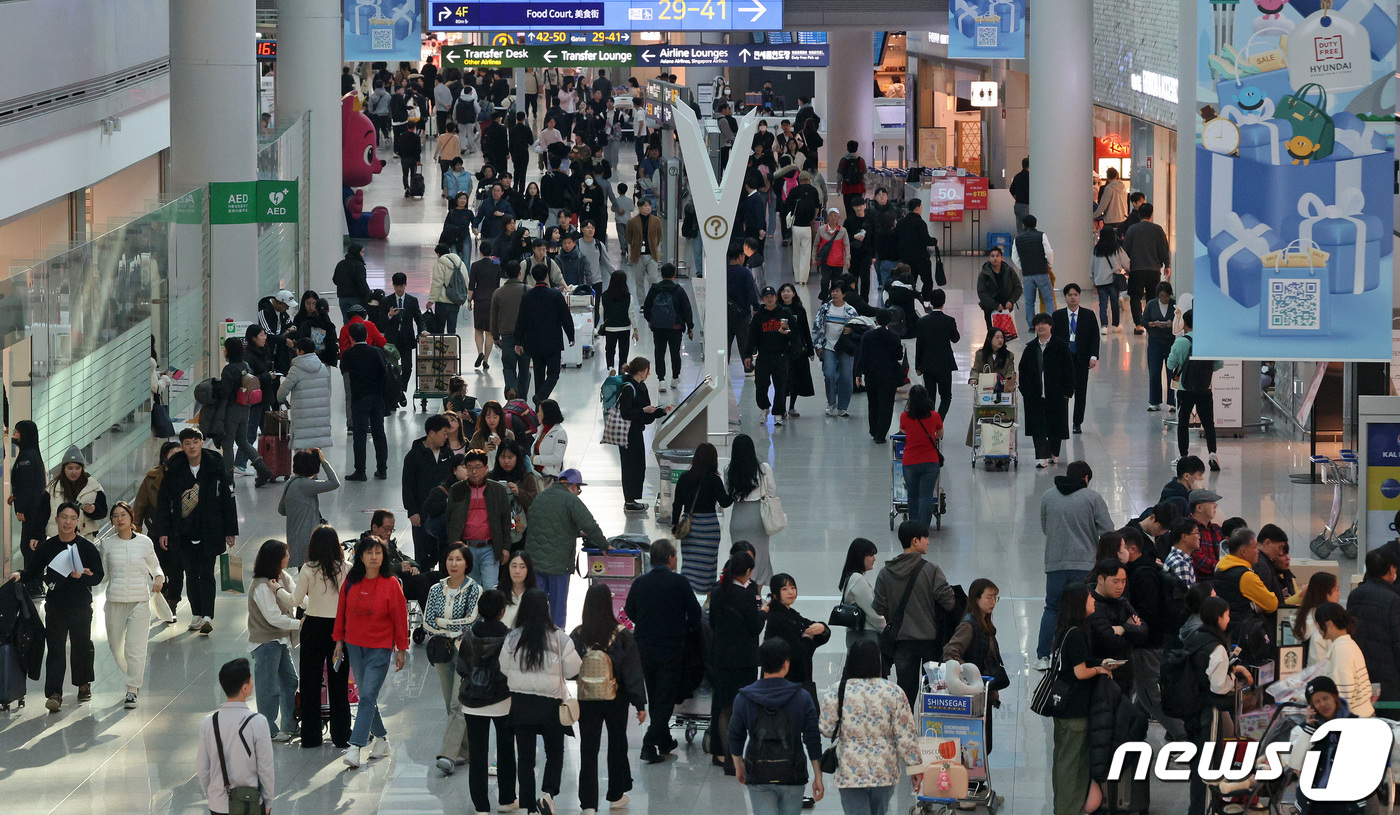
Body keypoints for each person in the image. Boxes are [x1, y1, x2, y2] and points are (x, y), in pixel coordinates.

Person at [9, 502, 103, 711]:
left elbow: (98, 576)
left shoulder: (86, 547)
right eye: (63, 517)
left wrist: (84, 576)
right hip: (56, 606)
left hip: (80, 605)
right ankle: (54, 693)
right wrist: (20, 575)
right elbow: (33, 571)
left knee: (82, 645)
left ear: (77, 521)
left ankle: (83, 684)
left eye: (72, 518)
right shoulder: (48, 546)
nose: (67, 522)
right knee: (55, 649)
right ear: (57, 519)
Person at [500, 589, 581, 815]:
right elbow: (574, 669)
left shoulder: (512, 637)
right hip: (550, 705)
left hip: (521, 704)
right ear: (546, 608)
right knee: (555, 753)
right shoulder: (559, 637)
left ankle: (529, 807)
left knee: (525, 758)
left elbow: (504, 667)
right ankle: (548, 794)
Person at [820, 639, 923, 815]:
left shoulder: (838, 690)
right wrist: (915, 768)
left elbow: (826, 728)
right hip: (884, 770)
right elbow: (906, 736)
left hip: (850, 771)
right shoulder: (893, 691)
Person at [624, 539, 704, 765]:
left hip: (645, 647)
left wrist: (646, 623)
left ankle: (665, 740)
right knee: (666, 696)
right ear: (670, 558)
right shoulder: (679, 582)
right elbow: (695, 613)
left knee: (655, 693)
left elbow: (629, 610)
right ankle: (649, 745)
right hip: (671, 646)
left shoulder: (640, 582)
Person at [334, 535, 410, 768]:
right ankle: (382, 740)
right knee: (368, 696)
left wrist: (401, 648)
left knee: (366, 696)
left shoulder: (391, 584)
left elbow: (400, 617)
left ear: (384, 556)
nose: (374, 557)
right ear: (361, 556)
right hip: (354, 645)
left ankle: (355, 746)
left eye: (378, 552)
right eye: (369, 553)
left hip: (380, 647)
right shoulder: (351, 581)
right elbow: (341, 611)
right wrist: (338, 641)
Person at [570, 583, 646, 813]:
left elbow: (571, 670)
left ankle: (588, 804)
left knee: (588, 749)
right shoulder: (621, 634)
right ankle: (615, 795)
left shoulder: (578, 634)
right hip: (616, 697)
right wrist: (639, 703)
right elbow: (632, 671)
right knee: (617, 744)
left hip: (586, 699)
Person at [729, 638, 826, 815]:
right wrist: (818, 775)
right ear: (786, 663)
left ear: (762, 664)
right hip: (793, 773)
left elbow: (735, 735)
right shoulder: (802, 697)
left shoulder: (744, 697)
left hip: (758, 771)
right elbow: (812, 738)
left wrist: (739, 765)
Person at [155, 428, 238, 634]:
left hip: (210, 529)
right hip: (183, 531)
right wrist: (163, 531)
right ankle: (197, 614)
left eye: (195, 442)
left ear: (202, 443)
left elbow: (228, 501)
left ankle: (207, 615)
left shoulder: (215, 468)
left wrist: (230, 530)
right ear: (182, 446)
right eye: (187, 443)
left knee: (207, 573)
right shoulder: (174, 470)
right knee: (191, 574)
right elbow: (164, 502)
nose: (191, 446)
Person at [1178, 596, 1253, 815]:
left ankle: (1197, 807)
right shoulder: (1216, 647)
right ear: (1218, 617)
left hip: (1193, 707)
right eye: (1227, 615)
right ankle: (1205, 809)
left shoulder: (1196, 637)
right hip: (1209, 711)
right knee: (1209, 765)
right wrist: (1232, 677)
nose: (1229, 619)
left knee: (1199, 761)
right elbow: (1219, 686)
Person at [1035, 461, 1114, 668]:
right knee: (1083, 611)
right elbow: (1107, 531)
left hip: (1055, 562)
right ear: (1086, 478)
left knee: (1052, 608)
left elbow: (1045, 526)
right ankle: (1080, 656)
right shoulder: (1092, 498)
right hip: (1085, 565)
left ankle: (1044, 656)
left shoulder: (1048, 496)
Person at [872, 520, 957, 708]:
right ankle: (931, 732)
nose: (928, 542)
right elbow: (949, 603)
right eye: (925, 538)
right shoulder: (931, 570)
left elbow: (878, 608)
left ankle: (905, 732)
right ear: (915, 541)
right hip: (931, 643)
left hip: (902, 643)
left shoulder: (885, 573)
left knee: (905, 694)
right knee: (936, 692)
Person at [1047, 583, 1114, 815]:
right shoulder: (1076, 634)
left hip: (1064, 709)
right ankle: (1068, 809)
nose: (1093, 601)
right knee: (1072, 764)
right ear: (1078, 603)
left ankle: (1065, 806)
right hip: (1074, 710)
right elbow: (1079, 672)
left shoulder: (1065, 630)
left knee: (1064, 759)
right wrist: (1099, 670)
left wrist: (1097, 663)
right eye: (1088, 598)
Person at [452, 588, 519, 808]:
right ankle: (507, 800)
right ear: (502, 612)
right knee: (506, 750)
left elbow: (462, 668)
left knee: (478, 755)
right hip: (503, 701)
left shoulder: (470, 635)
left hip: (473, 702)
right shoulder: (510, 636)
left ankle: (481, 806)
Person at [98, 501, 162, 708]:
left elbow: (155, 565)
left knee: (136, 648)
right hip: (115, 602)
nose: (119, 519)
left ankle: (132, 689)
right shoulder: (107, 545)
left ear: (131, 516)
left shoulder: (144, 542)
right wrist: (87, 576)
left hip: (139, 601)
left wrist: (159, 577)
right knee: (116, 647)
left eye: (123, 515)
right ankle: (131, 673)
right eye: (115, 516)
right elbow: (104, 575)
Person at [1284, 676, 1379, 814]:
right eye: (1317, 701)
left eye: (1326, 698)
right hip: (1314, 803)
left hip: (1350, 802)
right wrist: (1309, 731)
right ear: (1312, 706)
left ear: (1334, 697)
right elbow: (1294, 762)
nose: (1323, 704)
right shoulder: (1303, 730)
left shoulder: (1358, 724)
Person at [293, 525, 351, 747]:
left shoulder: (308, 569)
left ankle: (310, 737)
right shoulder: (348, 568)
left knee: (309, 682)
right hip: (339, 631)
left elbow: (297, 601)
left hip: (313, 628)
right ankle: (342, 735)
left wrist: (278, 590)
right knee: (339, 682)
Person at [427, 543, 484, 772]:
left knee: (457, 703)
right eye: (450, 559)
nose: (453, 564)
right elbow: (428, 621)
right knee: (449, 703)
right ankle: (468, 750)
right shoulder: (435, 589)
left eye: (458, 559)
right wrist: (448, 628)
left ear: (467, 563)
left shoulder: (474, 589)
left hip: (465, 651)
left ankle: (448, 755)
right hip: (442, 651)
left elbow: (471, 621)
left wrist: (443, 624)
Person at [710, 551, 767, 774]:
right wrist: (764, 611)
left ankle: (724, 756)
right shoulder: (746, 596)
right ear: (746, 573)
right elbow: (755, 627)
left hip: (722, 657)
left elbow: (713, 624)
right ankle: (738, 757)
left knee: (724, 707)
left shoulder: (717, 592)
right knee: (742, 709)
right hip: (744, 660)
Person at [528, 469, 608, 628]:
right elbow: (590, 525)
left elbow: (550, 525)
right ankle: (558, 641)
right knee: (558, 607)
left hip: (535, 562)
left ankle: (535, 636)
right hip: (559, 564)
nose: (578, 492)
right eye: (578, 489)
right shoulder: (570, 500)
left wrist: (574, 531)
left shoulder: (541, 496)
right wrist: (604, 545)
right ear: (573, 486)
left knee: (537, 605)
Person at [195, 659, 276, 815]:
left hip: (218, 804)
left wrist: (212, 795)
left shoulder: (209, 722)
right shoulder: (258, 722)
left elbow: (202, 767)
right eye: (251, 679)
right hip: (250, 803)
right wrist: (268, 800)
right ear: (244, 688)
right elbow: (265, 767)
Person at [245, 539, 301, 743]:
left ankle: (290, 724)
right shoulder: (261, 585)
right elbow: (273, 618)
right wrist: (300, 624)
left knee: (289, 681)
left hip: (279, 641)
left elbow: (296, 596)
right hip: (266, 643)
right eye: (286, 554)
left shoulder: (283, 577)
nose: (289, 557)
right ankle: (267, 729)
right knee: (268, 688)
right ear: (276, 559)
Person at [942, 578, 1007, 750]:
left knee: (985, 745)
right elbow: (950, 652)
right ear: (976, 599)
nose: (993, 602)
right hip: (972, 695)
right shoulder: (969, 626)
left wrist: (994, 690)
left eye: (995, 597)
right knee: (978, 745)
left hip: (983, 693)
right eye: (989, 597)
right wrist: (971, 675)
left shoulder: (984, 623)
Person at [445, 449, 513, 589]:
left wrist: (506, 547)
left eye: (478, 467)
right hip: (466, 548)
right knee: (470, 589)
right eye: (469, 468)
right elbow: (449, 519)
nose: (474, 472)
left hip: (490, 547)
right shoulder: (456, 489)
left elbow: (506, 519)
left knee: (490, 588)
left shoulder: (498, 490)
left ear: (486, 468)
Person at [673, 443, 735, 594]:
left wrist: (675, 524)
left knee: (688, 564)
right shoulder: (713, 479)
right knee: (708, 566)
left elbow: (677, 504)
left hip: (690, 527)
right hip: (709, 528)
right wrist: (733, 489)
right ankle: (707, 599)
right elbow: (725, 503)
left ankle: (687, 595)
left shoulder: (684, 477)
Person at [215, 337, 278, 485]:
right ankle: (263, 469)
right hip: (245, 408)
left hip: (232, 410)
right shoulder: (245, 365)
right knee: (243, 441)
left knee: (228, 443)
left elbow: (225, 391)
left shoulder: (229, 369)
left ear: (228, 351)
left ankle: (228, 478)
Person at [1167, 310, 1223, 470]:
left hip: (1185, 390)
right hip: (1205, 388)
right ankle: (1212, 454)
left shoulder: (1181, 342)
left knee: (1183, 423)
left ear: (1184, 323)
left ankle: (1183, 456)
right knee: (1208, 423)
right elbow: (1219, 364)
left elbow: (1170, 364)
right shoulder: (1208, 342)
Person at [341, 321, 395, 481]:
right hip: (377, 397)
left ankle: (360, 470)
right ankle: (382, 469)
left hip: (359, 398)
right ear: (366, 335)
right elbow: (384, 374)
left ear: (350, 337)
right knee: (379, 433)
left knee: (360, 434)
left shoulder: (348, 354)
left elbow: (344, 370)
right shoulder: (376, 351)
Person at [1345, 549, 1400, 705]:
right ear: (1390, 569)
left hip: (1361, 672)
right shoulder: (1393, 600)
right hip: (1388, 676)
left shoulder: (1354, 595)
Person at [1018, 313, 1074, 466]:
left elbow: (1069, 370)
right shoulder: (1030, 348)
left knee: (1056, 424)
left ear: (1050, 326)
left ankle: (1054, 453)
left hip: (1056, 394)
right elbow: (1022, 370)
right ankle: (1041, 457)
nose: (1040, 327)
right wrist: (1025, 391)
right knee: (1038, 426)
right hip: (1035, 395)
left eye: (1044, 323)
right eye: (1037, 324)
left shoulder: (1061, 346)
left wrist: (1067, 392)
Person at [514, 265, 574, 404]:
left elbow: (521, 319)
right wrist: (571, 335)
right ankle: (541, 396)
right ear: (547, 276)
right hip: (553, 341)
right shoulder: (555, 295)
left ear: (533, 277)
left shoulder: (527, 296)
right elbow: (565, 317)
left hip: (533, 342)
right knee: (554, 373)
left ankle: (538, 410)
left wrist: (518, 341)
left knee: (538, 375)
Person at [1085, 558, 1146, 697]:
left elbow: (1143, 631)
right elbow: (1107, 639)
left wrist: (1122, 629)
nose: (1120, 586)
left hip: (1125, 672)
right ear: (1101, 579)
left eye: (1123, 581)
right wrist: (1131, 633)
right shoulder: (1091, 605)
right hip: (1101, 672)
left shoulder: (1122, 602)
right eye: (1115, 581)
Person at [402, 414, 455, 566]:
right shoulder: (413, 456)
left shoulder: (448, 454)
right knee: (423, 557)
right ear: (432, 432)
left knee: (445, 555)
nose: (446, 437)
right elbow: (407, 485)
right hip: (422, 515)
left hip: (444, 513)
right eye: (444, 433)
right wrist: (412, 511)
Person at [616, 357, 668, 512]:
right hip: (627, 434)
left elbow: (646, 414)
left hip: (636, 432)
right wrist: (644, 411)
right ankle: (629, 501)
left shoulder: (641, 387)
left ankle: (633, 499)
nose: (649, 374)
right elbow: (626, 413)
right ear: (640, 371)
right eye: (647, 370)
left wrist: (662, 411)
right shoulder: (628, 388)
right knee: (630, 466)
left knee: (638, 465)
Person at [726, 435, 777, 584]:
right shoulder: (764, 469)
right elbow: (772, 491)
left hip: (738, 517)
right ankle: (756, 594)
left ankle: (740, 588)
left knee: (740, 557)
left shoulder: (728, 470)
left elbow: (729, 492)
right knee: (760, 557)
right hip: (758, 518)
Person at [277, 449, 340, 568]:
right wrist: (324, 461)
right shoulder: (306, 485)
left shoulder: (290, 483)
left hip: (294, 538)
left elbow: (282, 510)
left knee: (304, 575)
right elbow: (334, 483)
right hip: (309, 540)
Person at [1051, 283, 1100, 434]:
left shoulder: (1088, 315)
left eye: (1075, 295)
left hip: (1081, 360)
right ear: (1065, 297)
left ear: (1079, 296)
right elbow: (1053, 338)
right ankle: (1062, 421)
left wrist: (1093, 356)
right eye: (1069, 295)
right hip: (1063, 361)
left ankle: (1077, 422)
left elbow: (1094, 337)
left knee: (1081, 392)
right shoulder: (1057, 316)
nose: (1073, 297)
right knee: (1063, 393)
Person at [1313, 602, 1374, 718]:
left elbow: (1344, 692)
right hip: (1361, 715)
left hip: (1354, 720)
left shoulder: (1342, 650)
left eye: (1319, 626)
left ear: (1329, 624)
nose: (1319, 630)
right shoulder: (1347, 645)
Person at [745, 286, 794, 426]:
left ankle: (778, 412)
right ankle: (764, 407)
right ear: (763, 299)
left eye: (772, 296)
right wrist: (747, 355)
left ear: (776, 298)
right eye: (766, 296)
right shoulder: (759, 317)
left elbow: (794, 333)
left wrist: (788, 336)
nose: (770, 298)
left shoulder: (784, 313)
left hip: (781, 356)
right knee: (761, 385)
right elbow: (752, 337)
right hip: (764, 356)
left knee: (780, 386)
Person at [9, 420, 47, 598]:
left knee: (29, 547)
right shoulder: (30, 455)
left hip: (31, 512)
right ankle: (34, 584)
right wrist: (16, 497)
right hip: (34, 511)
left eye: (16, 432)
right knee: (30, 547)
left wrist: (21, 508)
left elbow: (28, 486)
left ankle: (34, 585)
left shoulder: (27, 457)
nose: (14, 435)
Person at [812, 281, 862, 417]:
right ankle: (831, 402)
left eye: (837, 291)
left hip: (845, 349)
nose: (834, 294)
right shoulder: (825, 309)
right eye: (833, 291)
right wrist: (818, 346)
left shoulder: (851, 311)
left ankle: (843, 406)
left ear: (844, 294)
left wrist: (850, 330)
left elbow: (859, 329)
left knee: (846, 377)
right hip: (828, 346)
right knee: (829, 374)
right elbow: (816, 327)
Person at [855, 309, 904, 443]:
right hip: (889, 375)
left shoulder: (867, 335)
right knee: (886, 405)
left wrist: (858, 373)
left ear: (876, 320)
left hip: (871, 375)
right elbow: (899, 356)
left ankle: (873, 429)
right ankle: (880, 434)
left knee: (873, 402)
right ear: (889, 321)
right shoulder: (894, 337)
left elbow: (862, 355)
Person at [279, 337, 335, 454]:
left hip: (302, 416)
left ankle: (301, 471)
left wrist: (282, 400)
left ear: (301, 352)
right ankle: (313, 472)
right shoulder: (323, 368)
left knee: (301, 452)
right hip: (320, 415)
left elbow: (282, 392)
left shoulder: (295, 369)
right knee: (316, 450)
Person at [1121, 202, 1171, 333]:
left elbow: (1126, 249)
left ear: (1139, 214)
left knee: (1135, 297)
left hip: (1136, 269)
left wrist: (1126, 266)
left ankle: (1138, 325)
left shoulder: (1132, 229)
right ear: (1151, 214)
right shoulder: (1158, 229)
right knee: (1152, 297)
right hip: (1154, 269)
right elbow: (1164, 249)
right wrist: (1167, 265)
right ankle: (1151, 323)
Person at [898, 385, 944, 527]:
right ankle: (923, 528)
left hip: (910, 462)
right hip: (930, 461)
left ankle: (912, 527)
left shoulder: (905, 416)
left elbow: (903, 431)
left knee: (912, 495)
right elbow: (940, 434)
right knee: (926, 496)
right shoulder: (934, 415)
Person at [643, 263, 693, 390]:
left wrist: (650, 320)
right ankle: (675, 378)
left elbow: (647, 307)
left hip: (658, 327)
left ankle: (661, 380)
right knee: (675, 353)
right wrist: (690, 326)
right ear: (674, 275)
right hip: (675, 327)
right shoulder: (679, 290)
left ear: (661, 274)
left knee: (659, 353)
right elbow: (686, 309)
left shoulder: (654, 289)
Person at [964, 327, 1016, 446]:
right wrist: (973, 379)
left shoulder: (1008, 356)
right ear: (989, 339)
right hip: (985, 392)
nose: (1000, 340)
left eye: (1002, 337)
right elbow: (976, 370)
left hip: (1001, 393)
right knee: (982, 415)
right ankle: (980, 443)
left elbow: (1010, 371)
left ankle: (1003, 445)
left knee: (1002, 418)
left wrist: (1008, 381)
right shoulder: (980, 355)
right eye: (997, 337)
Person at [913, 289, 959, 419]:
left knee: (930, 397)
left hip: (928, 364)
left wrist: (918, 366)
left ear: (931, 303)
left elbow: (919, 345)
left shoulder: (922, 322)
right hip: (945, 364)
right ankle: (938, 421)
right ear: (944, 302)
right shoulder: (949, 321)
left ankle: (930, 423)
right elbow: (956, 339)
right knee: (946, 397)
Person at [377, 272, 426, 392]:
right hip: (391, 341)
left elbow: (419, 318)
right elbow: (380, 323)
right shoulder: (386, 301)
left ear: (405, 285)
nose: (399, 289)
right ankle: (395, 392)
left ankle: (401, 390)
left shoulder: (412, 300)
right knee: (391, 368)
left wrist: (423, 330)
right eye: (396, 286)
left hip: (407, 339)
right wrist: (389, 315)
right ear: (393, 285)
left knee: (407, 367)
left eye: (401, 286)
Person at [44, 447, 106, 541]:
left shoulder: (94, 486)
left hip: (85, 539)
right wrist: (35, 536)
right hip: (58, 539)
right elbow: (41, 515)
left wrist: (93, 510)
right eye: (70, 468)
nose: (74, 472)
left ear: (82, 469)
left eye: (78, 468)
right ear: (64, 468)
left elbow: (103, 512)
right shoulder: (52, 488)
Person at [491, 261, 530, 399]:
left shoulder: (498, 293)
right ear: (520, 273)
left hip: (506, 336)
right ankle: (522, 398)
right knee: (525, 368)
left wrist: (495, 336)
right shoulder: (528, 290)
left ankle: (511, 387)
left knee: (508, 366)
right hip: (525, 337)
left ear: (506, 274)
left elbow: (494, 317)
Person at [1011, 214, 1055, 329]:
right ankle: (1051, 322)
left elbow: (1014, 257)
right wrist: (1049, 265)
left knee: (1029, 302)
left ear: (1023, 225)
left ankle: (1031, 325)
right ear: (1035, 224)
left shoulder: (1018, 238)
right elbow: (1048, 252)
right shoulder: (1042, 236)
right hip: (1042, 272)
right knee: (1048, 299)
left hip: (1027, 275)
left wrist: (1022, 266)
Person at [1142, 281, 1178, 411]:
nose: (1164, 299)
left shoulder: (1174, 305)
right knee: (1154, 371)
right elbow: (1144, 321)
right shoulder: (1151, 305)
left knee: (1172, 372)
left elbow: (1180, 321)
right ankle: (1154, 401)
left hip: (1170, 342)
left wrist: (1171, 324)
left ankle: (1173, 401)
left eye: (1167, 296)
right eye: (1162, 296)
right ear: (1158, 295)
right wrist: (1153, 324)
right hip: (1155, 342)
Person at [1295, 571, 1340, 667]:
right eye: (1337, 589)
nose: (1339, 594)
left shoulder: (1303, 617)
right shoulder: (1324, 627)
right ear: (1326, 593)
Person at [895, 199, 938, 299]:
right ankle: (926, 301)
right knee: (927, 281)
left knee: (909, 280)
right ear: (917, 207)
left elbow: (896, 238)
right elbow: (925, 240)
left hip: (906, 258)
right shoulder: (920, 223)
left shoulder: (901, 222)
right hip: (921, 258)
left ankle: (909, 299)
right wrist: (935, 241)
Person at [623, 197, 663, 301]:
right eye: (645, 206)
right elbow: (628, 236)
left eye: (649, 205)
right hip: (638, 255)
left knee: (653, 279)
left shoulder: (656, 220)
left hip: (652, 254)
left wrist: (654, 244)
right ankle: (642, 303)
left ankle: (652, 300)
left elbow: (659, 236)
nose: (648, 208)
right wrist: (635, 244)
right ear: (639, 207)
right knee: (639, 281)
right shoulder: (632, 221)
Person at [1091, 227, 1129, 334]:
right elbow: (1126, 262)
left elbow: (1092, 265)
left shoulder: (1097, 249)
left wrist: (1093, 278)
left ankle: (1104, 326)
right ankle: (1115, 325)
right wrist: (1128, 269)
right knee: (1114, 303)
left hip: (1100, 281)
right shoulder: (1116, 248)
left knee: (1102, 304)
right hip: (1113, 280)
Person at [598, 271, 638, 375]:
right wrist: (635, 329)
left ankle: (610, 367)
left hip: (610, 328)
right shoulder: (628, 297)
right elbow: (631, 314)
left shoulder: (604, 296)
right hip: (624, 328)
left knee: (610, 349)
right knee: (623, 351)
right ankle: (622, 369)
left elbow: (601, 311)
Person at [975, 246, 1023, 331]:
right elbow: (982, 293)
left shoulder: (1009, 271)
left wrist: (1011, 301)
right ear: (989, 258)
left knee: (1005, 335)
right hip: (989, 309)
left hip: (1005, 309)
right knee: (992, 333)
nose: (995, 258)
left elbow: (1018, 288)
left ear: (1002, 258)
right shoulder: (984, 274)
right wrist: (995, 305)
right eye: (992, 256)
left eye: (997, 256)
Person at [468, 255, 502, 371]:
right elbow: (498, 284)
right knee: (489, 333)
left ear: (481, 252)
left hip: (479, 300)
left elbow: (472, 284)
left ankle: (480, 352)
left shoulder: (475, 265)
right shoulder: (496, 264)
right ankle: (486, 360)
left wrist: (469, 300)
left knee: (478, 329)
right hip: (492, 299)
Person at [292, 290, 340, 369]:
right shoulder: (299, 318)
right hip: (306, 357)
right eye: (308, 303)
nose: (311, 307)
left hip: (322, 358)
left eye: (314, 304)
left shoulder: (324, 320)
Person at [1187, 488, 1226, 578]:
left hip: (1218, 580)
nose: (1215, 506)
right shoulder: (1188, 530)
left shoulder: (1218, 530)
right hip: (1200, 584)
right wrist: (1224, 567)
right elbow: (1198, 560)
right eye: (1211, 502)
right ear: (1199, 508)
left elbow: (1228, 552)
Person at [813, 208, 851, 295]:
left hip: (838, 262)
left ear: (839, 217)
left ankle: (832, 299)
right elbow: (816, 245)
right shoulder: (821, 230)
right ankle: (824, 298)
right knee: (824, 281)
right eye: (831, 215)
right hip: (825, 261)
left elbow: (846, 245)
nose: (833, 217)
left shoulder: (843, 231)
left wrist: (847, 259)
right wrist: (814, 258)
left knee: (836, 283)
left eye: (835, 215)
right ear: (827, 217)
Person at [500, 549, 540, 628]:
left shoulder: (537, 597)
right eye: (514, 566)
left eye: (522, 567)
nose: (517, 571)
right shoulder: (497, 593)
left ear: (528, 570)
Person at [334, 244, 373, 321]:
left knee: (346, 321)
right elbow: (362, 284)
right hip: (356, 298)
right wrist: (368, 295)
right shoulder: (359, 266)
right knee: (357, 322)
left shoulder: (340, 264)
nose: (363, 255)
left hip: (342, 298)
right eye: (362, 252)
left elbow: (335, 280)